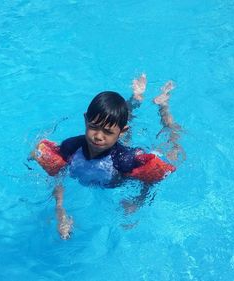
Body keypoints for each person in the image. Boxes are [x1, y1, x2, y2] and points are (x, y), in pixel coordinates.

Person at [29, 74, 184, 239]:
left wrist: (137, 202)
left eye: (108, 132)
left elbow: (150, 180)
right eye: (93, 127)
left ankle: (163, 105)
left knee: (172, 143)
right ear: (85, 120)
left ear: (119, 131)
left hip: (118, 155)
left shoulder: (125, 160)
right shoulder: (71, 147)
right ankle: (135, 98)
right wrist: (60, 210)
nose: (99, 136)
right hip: (113, 145)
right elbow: (57, 177)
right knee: (116, 121)